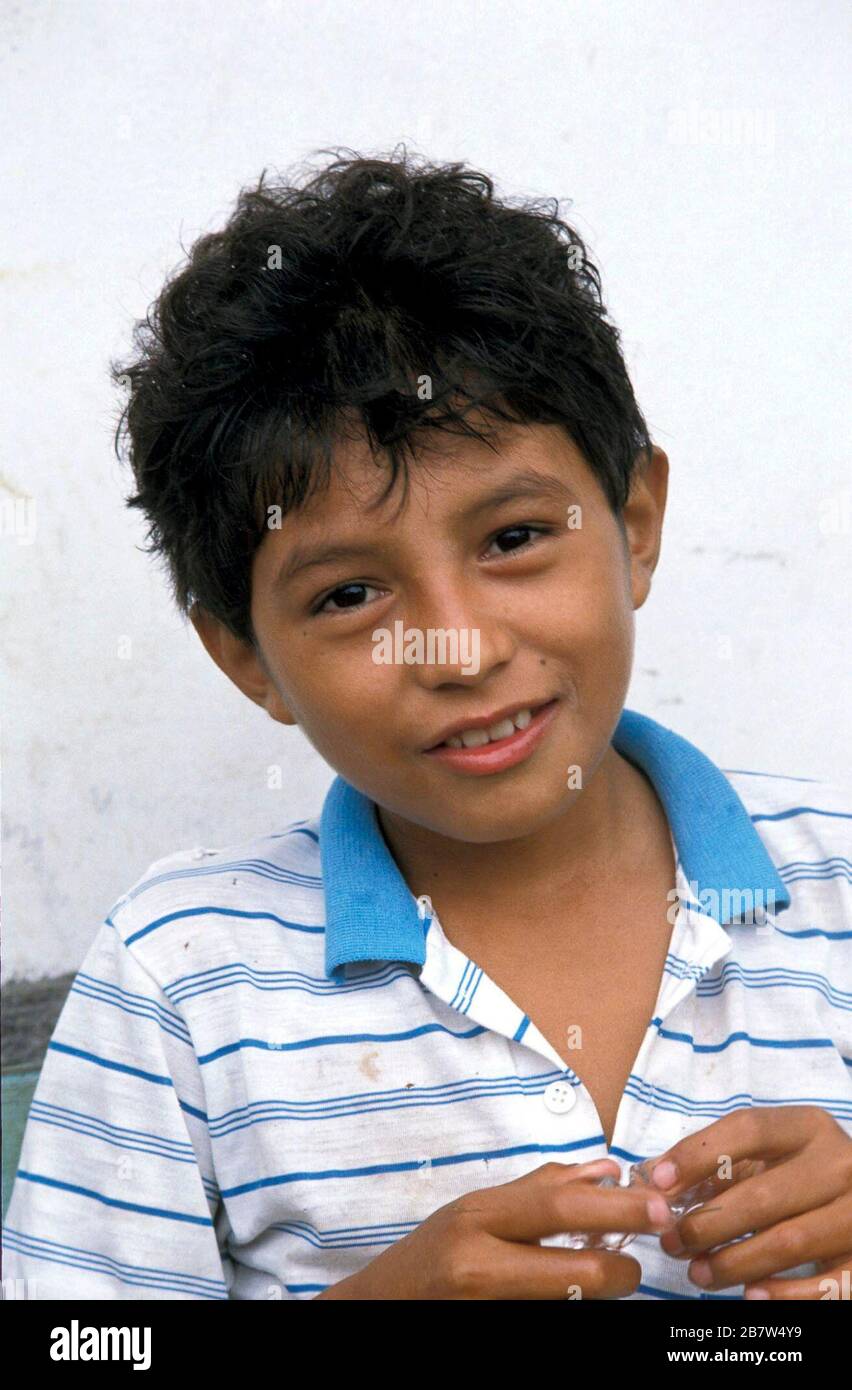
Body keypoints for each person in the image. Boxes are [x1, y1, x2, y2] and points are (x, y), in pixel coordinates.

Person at [4, 151, 850, 1300]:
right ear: (247, 657)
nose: (459, 647)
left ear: (635, 523)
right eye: (349, 595)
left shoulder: (838, 893)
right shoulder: (182, 981)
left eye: (512, 538)